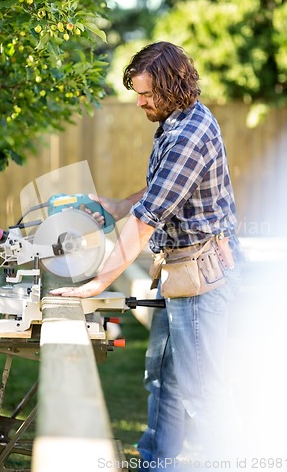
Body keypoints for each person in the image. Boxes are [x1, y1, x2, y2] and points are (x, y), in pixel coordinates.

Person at [50, 41, 243, 470]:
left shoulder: (189, 135)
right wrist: (115, 206)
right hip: (179, 274)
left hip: (201, 278)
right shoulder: (176, 123)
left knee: (203, 394)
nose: (139, 103)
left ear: (174, 86)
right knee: (162, 381)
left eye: (147, 94)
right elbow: (158, 194)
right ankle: (157, 464)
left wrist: (98, 283)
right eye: (137, 93)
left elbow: (146, 221)